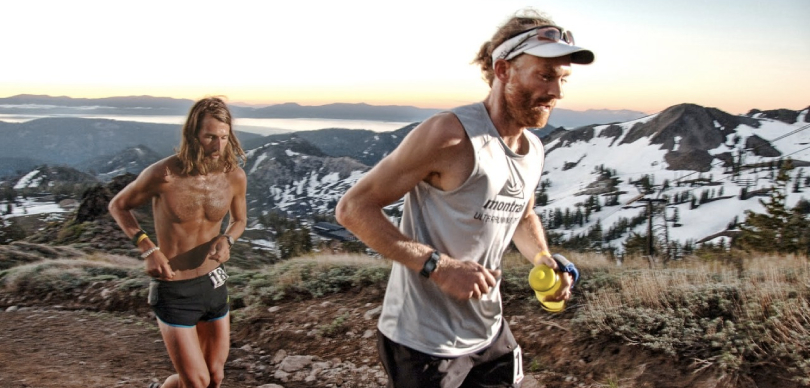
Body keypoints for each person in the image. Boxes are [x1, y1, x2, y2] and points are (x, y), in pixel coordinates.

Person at [336, 9, 592, 388]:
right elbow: (353, 208)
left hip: (490, 332)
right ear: (503, 70)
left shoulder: (533, 148)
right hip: (423, 342)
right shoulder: (449, 135)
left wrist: (543, 258)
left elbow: (523, 215)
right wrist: (437, 266)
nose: (557, 92)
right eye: (545, 75)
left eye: (562, 79)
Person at [109, 97, 247, 388]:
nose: (217, 146)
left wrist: (227, 239)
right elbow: (118, 205)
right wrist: (148, 248)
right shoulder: (164, 174)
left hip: (214, 283)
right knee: (196, 382)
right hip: (175, 288)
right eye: (210, 137)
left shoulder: (234, 176)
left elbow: (239, 221)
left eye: (223, 137)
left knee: (214, 377)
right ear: (193, 134)